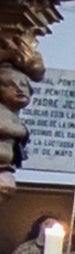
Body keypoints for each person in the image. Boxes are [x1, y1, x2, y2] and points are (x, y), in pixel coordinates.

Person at [0, 62, 32, 201]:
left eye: (23, 85)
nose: (19, 89)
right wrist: (22, 131)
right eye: (10, 85)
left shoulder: (13, 115)